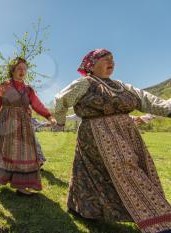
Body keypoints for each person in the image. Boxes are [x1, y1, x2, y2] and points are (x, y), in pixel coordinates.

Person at [54, 49, 171, 233]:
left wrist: (168, 109)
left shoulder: (122, 86)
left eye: (113, 59)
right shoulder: (84, 83)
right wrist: (60, 122)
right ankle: (160, 223)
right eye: (105, 58)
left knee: (89, 172)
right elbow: (61, 100)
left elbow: (148, 100)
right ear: (91, 64)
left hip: (126, 134)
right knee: (125, 168)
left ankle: (83, 209)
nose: (112, 62)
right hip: (97, 134)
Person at [0, 57, 56, 195]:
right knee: (5, 152)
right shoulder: (4, 86)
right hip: (8, 123)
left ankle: (21, 186)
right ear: (13, 70)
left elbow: (37, 104)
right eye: (19, 68)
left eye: (25, 69)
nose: (23, 71)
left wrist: (49, 116)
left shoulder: (28, 90)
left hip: (24, 126)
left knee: (24, 153)